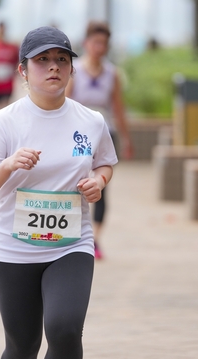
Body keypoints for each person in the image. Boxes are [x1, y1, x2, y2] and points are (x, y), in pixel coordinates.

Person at [0, 26, 117, 359]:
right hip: (13, 248)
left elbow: (105, 162)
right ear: (23, 70)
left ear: (71, 69)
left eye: (61, 60)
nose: (53, 68)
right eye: (42, 61)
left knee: (65, 328)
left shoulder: (91, 121)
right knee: (22, 343)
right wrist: (8, 165)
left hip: (70, 245)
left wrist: (98, 181)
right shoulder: (4, 122)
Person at [66, 21, 134, 260]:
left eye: (103, 43)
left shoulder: (112, 73)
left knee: (102, 186)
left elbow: (118, 107)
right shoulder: (74, 71)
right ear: (86, 43)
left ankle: (95, 239)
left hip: (105, 133)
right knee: (74, 183)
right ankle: (71, 234)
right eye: (95, 42)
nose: (99, 47)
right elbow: (64, 103)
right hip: (77, 136)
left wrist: (126, 139)